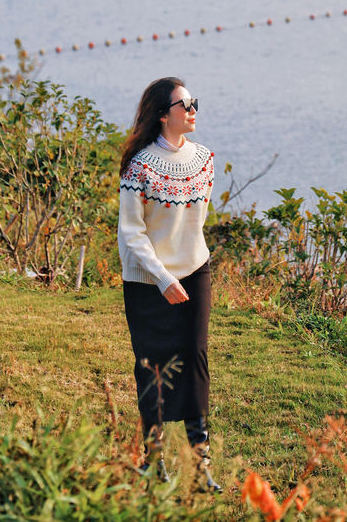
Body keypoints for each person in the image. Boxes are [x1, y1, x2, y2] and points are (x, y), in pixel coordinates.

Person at [117, 76, 221, 492]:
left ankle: (200, 466)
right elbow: (131, 233)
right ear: (163, 115)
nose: (193, 110)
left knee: (195, 358)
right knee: (153, 365)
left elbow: (195, 222)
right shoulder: (139, 166)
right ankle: (154, 461)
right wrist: (162, 277)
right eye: (184, 104)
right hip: (147, 279)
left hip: (195, 271)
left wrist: (185, 268)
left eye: (195, 102)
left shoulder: (205, 159)